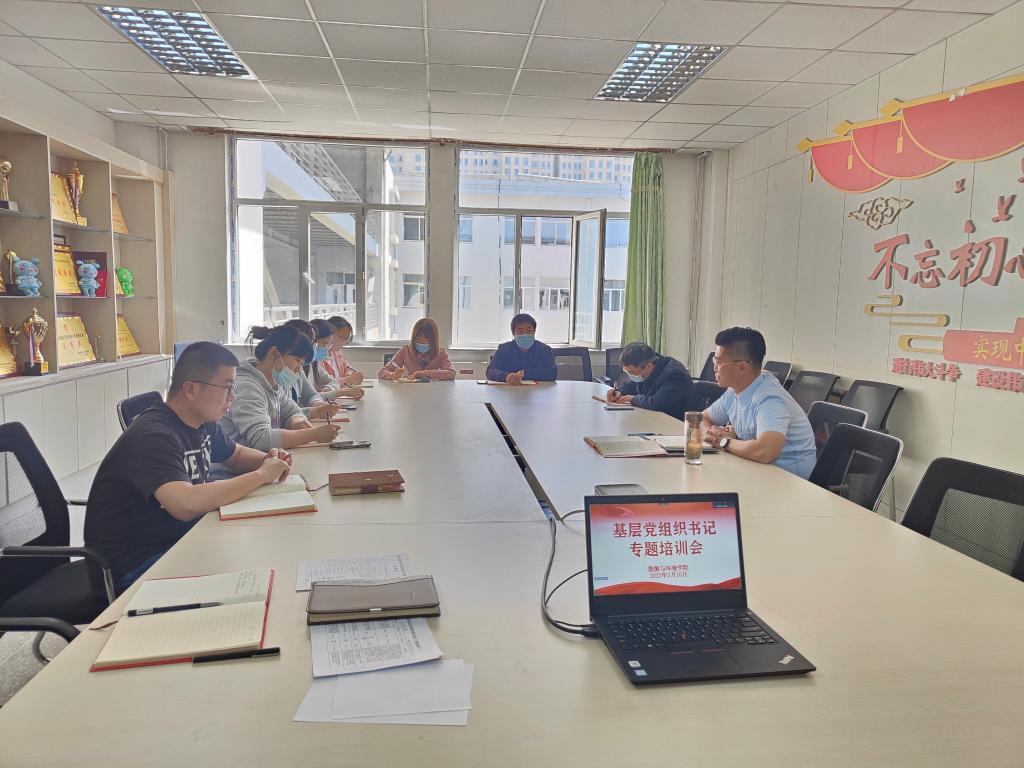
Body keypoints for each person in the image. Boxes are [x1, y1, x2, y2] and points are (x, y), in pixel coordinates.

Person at [84, 342, 295, 594]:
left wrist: (268, 459)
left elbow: (236, 455)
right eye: (227, 387)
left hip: (176, 541)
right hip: (132, 566)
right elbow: (186, 504)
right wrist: (261, 475)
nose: (233, 397)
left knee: (256, 554)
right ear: (192, 389)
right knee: (245, 574)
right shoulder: (154, 436)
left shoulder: (202, 422)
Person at [701, 327, 817, 479]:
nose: (714, 368)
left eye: (719, 362)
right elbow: (701, 419)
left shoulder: (770, 398)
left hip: (790, 481)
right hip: (755, 470)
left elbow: (766, 451)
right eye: (714, 361)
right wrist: (712, 434)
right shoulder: (733, 391)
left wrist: (725, 442)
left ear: (742, 367)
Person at [220, 324, 342, 451]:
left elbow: (293, 411)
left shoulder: (273, 384)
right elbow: (261, 439)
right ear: (274, 353)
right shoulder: (247, 387)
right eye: (298, 360)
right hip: (241, 464)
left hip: (266, 459)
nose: (299, 369)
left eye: (301, 363)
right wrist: (314, 434)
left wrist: (296, 420)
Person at [605, 342, 693, 419]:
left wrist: (632, 399)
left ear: (649, 366)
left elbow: (657, 403)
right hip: (650, 417)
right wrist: (619, 392)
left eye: (632, 372)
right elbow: (632, 384)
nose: (631, 375)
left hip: (672, 422)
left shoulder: (675, 374)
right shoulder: (647, 367)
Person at [486, 313, 556, 385]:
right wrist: (506, 376)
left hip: (537, 390)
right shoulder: (503, 349)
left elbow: (552, 373)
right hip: (509, 389)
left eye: (529, 331)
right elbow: (490, 371)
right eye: (520, 331)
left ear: (534, 331)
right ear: (513, 333)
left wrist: (526, 373)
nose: (525, 334)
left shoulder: (544, 350)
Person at [378, 318, 456, 380]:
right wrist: (393, 375)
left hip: (432, 392)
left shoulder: (441, 353)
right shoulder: (405, 350)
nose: (421, 344)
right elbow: (382, 372)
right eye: (417, 341)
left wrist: (424, 373)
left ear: (433, 341)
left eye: (424, 342)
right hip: (410, 392)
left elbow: (451, 373)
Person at [324, 315, 364, 386]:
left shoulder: (337, 353)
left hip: (341, 390)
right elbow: (325, 383)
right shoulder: (319, 357)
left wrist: (349, 374)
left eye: (346, 338)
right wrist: (348, 379)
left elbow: (348, 368)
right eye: (341, 337)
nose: (344, 342)